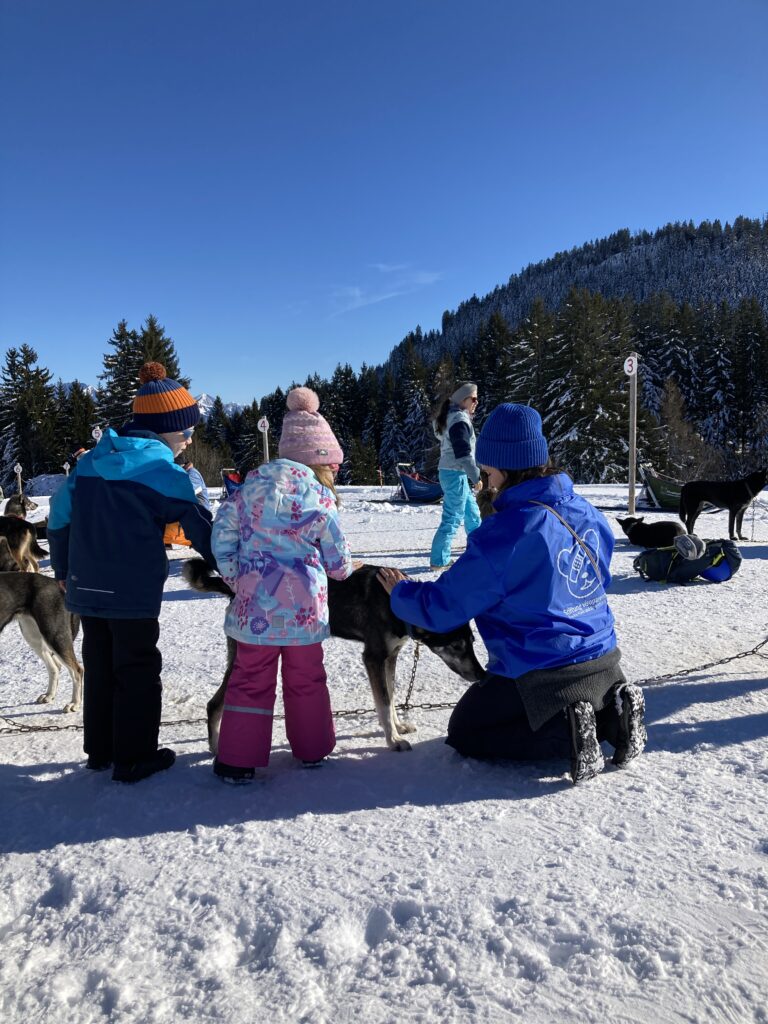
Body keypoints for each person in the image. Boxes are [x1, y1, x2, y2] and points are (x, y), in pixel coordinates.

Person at [377, 403, 646, 784]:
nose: (485, 482)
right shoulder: (584, 510)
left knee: (468, 730)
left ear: (506, 467)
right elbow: (600, 580)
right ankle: (613, 718)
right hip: (604, 657)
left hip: (542, 670)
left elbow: (445, 607)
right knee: (546, 701)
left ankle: (568, 734)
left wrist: (402, 592)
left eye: (487, 472)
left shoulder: (506, 534)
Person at [48, 362, 216, 783]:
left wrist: (64, 568)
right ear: (164, 431)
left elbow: (58, 516)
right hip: (132, 592)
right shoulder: (163, 473)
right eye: (185, 432)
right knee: (137, 668)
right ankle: (135, 756)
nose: (189, 440)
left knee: (101, 664)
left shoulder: (89, 465)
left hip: (86, 587)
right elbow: (200, 528)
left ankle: (101, 751)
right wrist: (231, 567)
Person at [210, 386, 355, 782]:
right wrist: (341, 571)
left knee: (250, 679)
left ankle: (237, 761)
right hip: (304, 613)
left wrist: (233, 574)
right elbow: (338, 556)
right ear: (318, 461)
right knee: (307, 679)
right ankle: (312, 749)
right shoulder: (319, 498)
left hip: (255, 608)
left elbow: (221, 533)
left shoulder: (246, 490)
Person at [429, 382, 482, 570]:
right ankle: (439, 560)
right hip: (455, 474)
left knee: (472, 513)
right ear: (463, 399)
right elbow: (463, 454)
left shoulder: (453, 417)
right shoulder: (459, 420)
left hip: (454, 473)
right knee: (452, 517)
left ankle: (480, 550)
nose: (476, 402)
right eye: (473, 398)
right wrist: (477, 478)